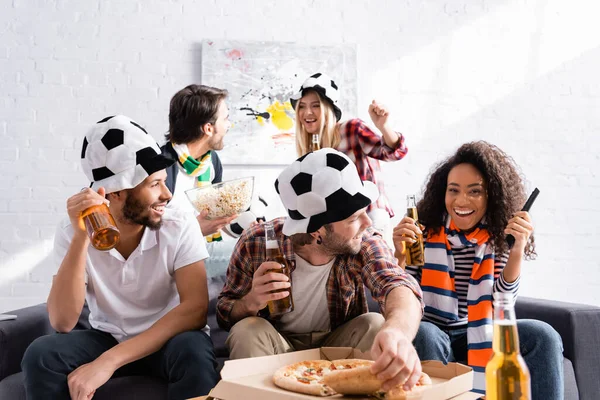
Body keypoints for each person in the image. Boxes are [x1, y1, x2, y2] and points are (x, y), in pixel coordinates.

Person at [21, 115, 219, 400]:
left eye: (164, 181)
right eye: (154, 185)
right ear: (115, 193)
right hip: (108, 336)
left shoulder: (179, 222)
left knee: (193, 351)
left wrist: (107, 362)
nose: (167, 193)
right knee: (41, 354)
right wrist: (80, 238)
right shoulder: (71, 231)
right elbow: (63, 322)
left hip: (169, 339)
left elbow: (195, 309)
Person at [217, 148, 425, 392]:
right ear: (317, 231)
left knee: (375, 323)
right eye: (353, 218)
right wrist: (250, 302)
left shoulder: (363, 241)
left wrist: (397, 333)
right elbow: (224, 314)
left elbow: (397, 284)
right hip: (275, 347)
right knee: (246, 330)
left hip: (336, 347)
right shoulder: (256, 242)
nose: (367, 223)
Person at [392, 141, 563, 397]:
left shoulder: (498, 235)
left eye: (475, 192)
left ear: (491, 195)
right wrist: (399, 255)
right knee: (425, 333)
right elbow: (407, 293)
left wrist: (517, 250)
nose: (462, 200)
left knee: (544, 335)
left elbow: (502, 301)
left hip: (479, 329)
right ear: (443, 193)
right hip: (433, 329)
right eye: (454, 190)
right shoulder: (423, 231)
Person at [290, 72, 409, 235]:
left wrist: (384, 127)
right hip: (343, 226)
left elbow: (393, 153)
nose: (307, 112)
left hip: (370, 217)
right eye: (302, 106)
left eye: (316, 105)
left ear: (329, 108)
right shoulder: (313, 147)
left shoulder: (351, 129)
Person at [162, 84, 235, 242]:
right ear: (208, 128)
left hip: (201, 250)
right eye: (226, 118)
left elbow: (217, 216)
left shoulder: (211, 161)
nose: (229, 125)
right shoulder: (161, 168)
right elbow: (144, 235)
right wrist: (195, 229)